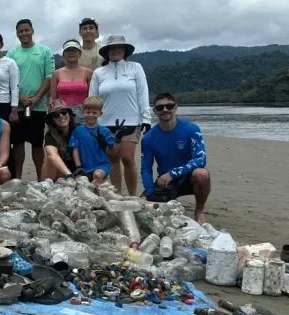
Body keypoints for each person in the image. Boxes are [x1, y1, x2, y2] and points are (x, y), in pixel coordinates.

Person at [89, 34, 151, 196]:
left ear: (125, 51)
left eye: (119, 48)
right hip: (105, 122)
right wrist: (91, 121)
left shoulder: (135, 68)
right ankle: (117, 195)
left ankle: (132, 196)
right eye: (112, 48)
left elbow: (142, 93)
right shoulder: (98, 73)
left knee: (127, 158)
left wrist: (146, 118)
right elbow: (93, 99)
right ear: (107, 52)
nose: (116, 51)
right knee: (113, 159)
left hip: (131, 120)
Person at [141, 92, 211, 222]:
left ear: (176, 107)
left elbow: (201, 159)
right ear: (154, 111)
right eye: (160, 107)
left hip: (188, 177)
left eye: (169, 106)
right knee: (142, 205)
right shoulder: (148, 138)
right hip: (166, 182)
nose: (165, 110)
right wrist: (150, 192)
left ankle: (199, 211)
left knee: (202, 174)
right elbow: (146, 169)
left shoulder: (191, 129)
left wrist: (173, 173)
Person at [7, 19, 55, 180]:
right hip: (17, 106)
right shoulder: (12, 53)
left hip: (38, 107)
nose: (24, 33)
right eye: (20, 31)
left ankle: (41, 178)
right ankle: (18, 178)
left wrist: (37, 97)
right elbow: (7, 77)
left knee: (37, 143)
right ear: (17, 33)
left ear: (32, 31)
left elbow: (49, 77)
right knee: (18, 143)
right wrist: (18, 97)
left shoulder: (44, 51)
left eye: (27, 30)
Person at [68, 96, 115, 186]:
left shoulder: (105, 131)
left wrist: (106, 145)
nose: (91, 115)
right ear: (83, 112)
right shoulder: (78, 130)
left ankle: (101, 189)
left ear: (100, 113)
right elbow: (75, 149)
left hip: (102, 165)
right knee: (80, 183)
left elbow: (112, 152)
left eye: (94, 112)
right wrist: (78, 166)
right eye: (88, 112)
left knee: (97, 175)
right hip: (85, 166)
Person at [50, 39, 94, 115]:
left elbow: (92, 97)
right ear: (64, 54)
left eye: (74, 50)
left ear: (80, 53)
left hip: (84, 114)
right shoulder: (56, 73)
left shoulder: (88, 72)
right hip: (62, 114)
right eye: (68, 50)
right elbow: (53, 98)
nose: (71, 53)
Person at [42, 99, 77, 181]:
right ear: (52, 120)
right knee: (48, 158)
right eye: (56, 115)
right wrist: (69, 174)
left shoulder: (79, 130)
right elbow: (52, 155)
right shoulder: (50, 135)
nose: (61, 116)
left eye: (64, 112)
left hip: (79, 169)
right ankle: (47, 186)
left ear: (69, 115)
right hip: (61, 172)